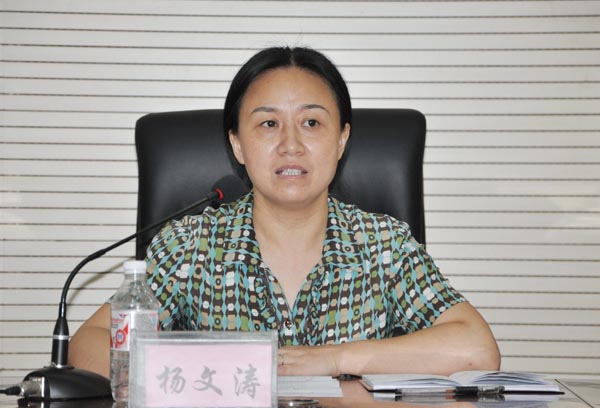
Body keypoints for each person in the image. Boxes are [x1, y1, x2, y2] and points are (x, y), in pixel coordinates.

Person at [69, 46, 500, 378]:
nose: (291, 144)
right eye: (268, 124)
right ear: (238, 144)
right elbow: (87, 347)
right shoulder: (190, 245)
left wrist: (334, 359)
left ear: (341, 140)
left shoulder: (383, 244)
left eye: (311, 123)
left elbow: (477, 350)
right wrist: (217, 372)